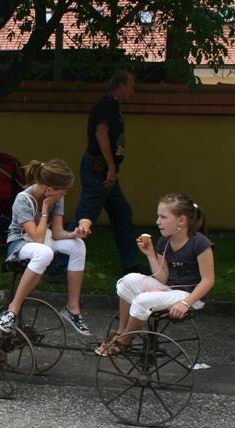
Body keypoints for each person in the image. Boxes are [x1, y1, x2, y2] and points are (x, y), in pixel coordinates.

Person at [95, 193, 214, 357]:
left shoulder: (199, 243)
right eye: (159, 216)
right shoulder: (163, 242)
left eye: (163, 217)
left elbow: (208, 280)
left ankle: (124, 341)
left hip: (190, 296)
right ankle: (121, 332)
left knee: (143, 300)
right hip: (170, 289)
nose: (158, 222)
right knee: (128, 280)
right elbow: (163, 278)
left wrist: (185, 304)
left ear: (181, 220)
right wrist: (150, 254)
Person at [0, 159, 92, 336]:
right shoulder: (23, 200)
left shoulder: (56, 197)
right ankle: (12, 309)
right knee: (44, 252)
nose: (63, 196)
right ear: (49, 190)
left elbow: (56, 233)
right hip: (20, 244)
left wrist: (75, 234)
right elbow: (37, 238)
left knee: (78, 246)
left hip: (43, 241)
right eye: (62, 193)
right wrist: (46, 207)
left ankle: (72, 308)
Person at [69, 70, 142, 275]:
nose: (133, 91)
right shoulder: (107, 103)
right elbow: (101, 133)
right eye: (131, 86)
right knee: (85, 216)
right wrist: (110, 166)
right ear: (121, 85)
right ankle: (59, 264)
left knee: (122, 212)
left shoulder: (112, 105)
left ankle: (131, 265)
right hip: (99, 169)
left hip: (105, 170)